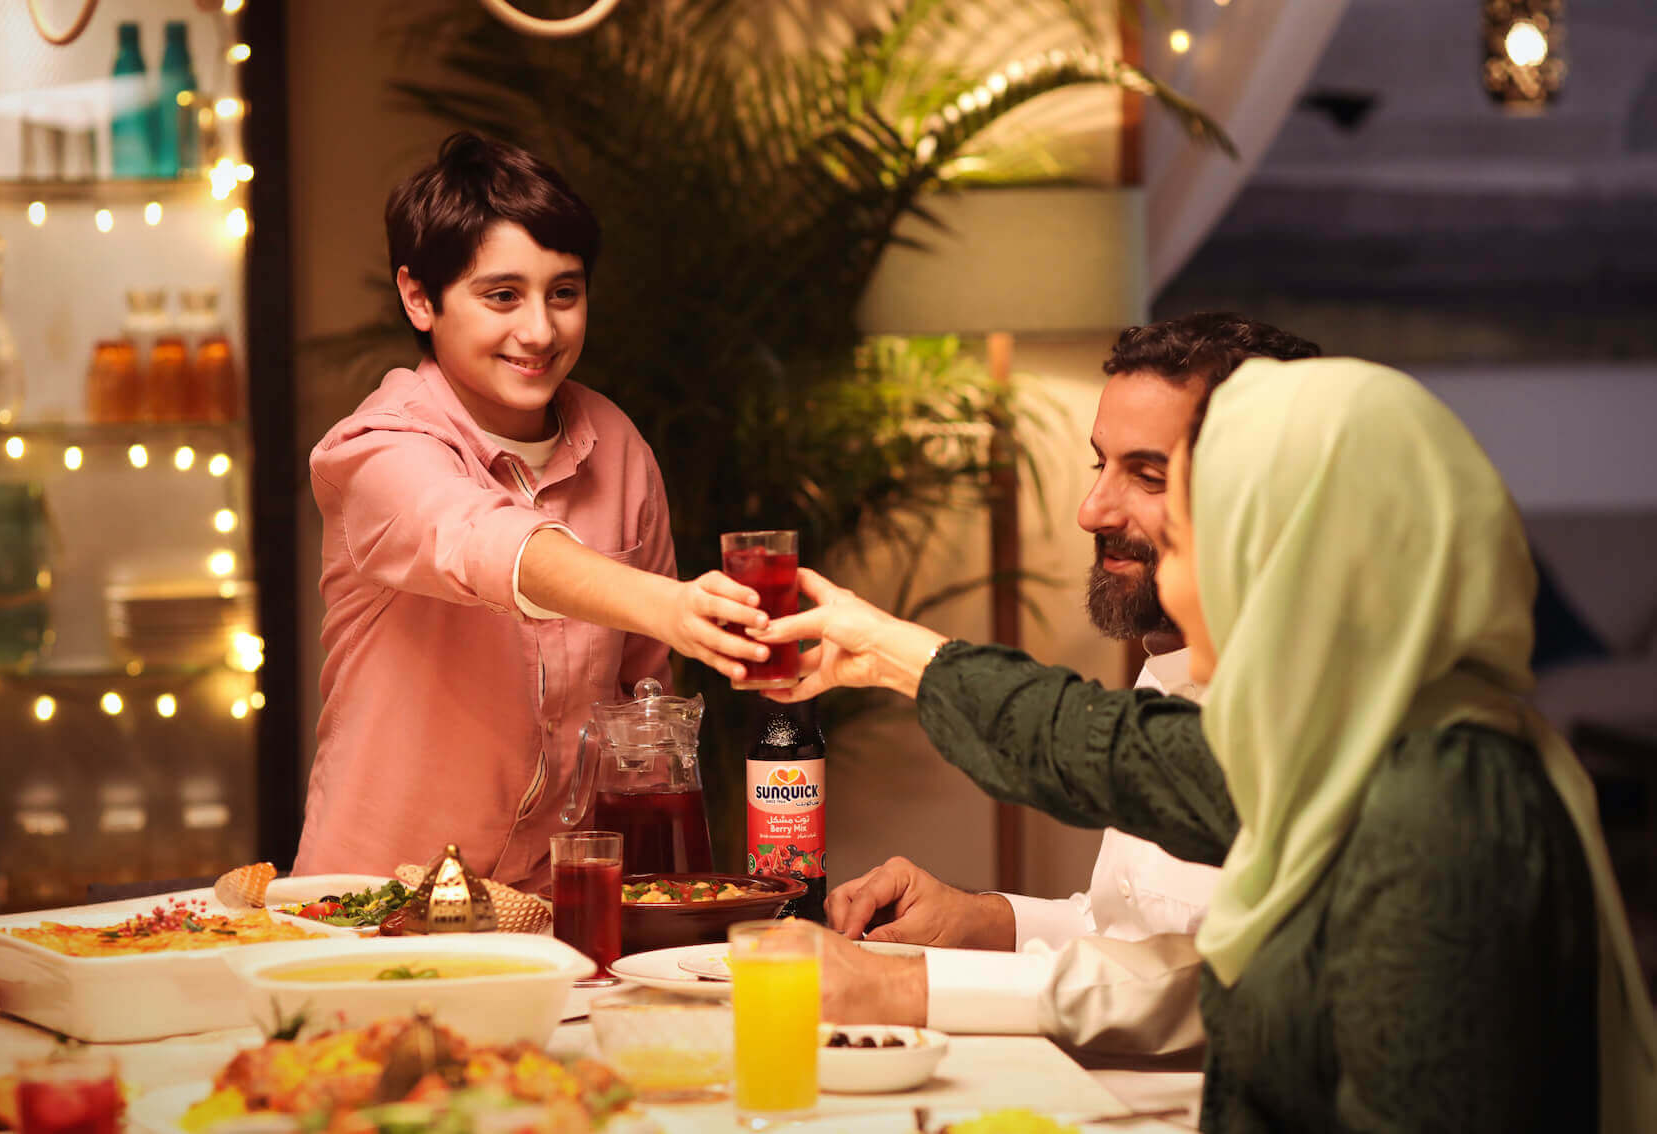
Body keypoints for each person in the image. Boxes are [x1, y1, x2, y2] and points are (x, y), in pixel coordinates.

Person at [757, 357, 1657, 1129]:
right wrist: (987, 920)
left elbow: (1098, 767)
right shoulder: (1356, 737)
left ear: (1294, 549)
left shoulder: (1437, 807)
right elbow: (1110, 792)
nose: (1180, 587)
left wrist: (913, 986)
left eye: (1190, 539)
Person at [827, 314, 1319, 1055]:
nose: (1091, 511)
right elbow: (1130, 930)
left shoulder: (1321, 714)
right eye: (1100, 465)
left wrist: (909, 988)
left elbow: (1219, 983)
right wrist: (980, 920)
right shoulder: (1176, 664)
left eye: (1147, 477)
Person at [295, 133, 771, 886]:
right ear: (419, 297)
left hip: (560, 910)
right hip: (377, 904)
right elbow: (482, 540)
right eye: (502, 296)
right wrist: (670, 604)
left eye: (564, 293)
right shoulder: (377, 450)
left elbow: (644, 701)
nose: (541, 331)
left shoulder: (618, 446)